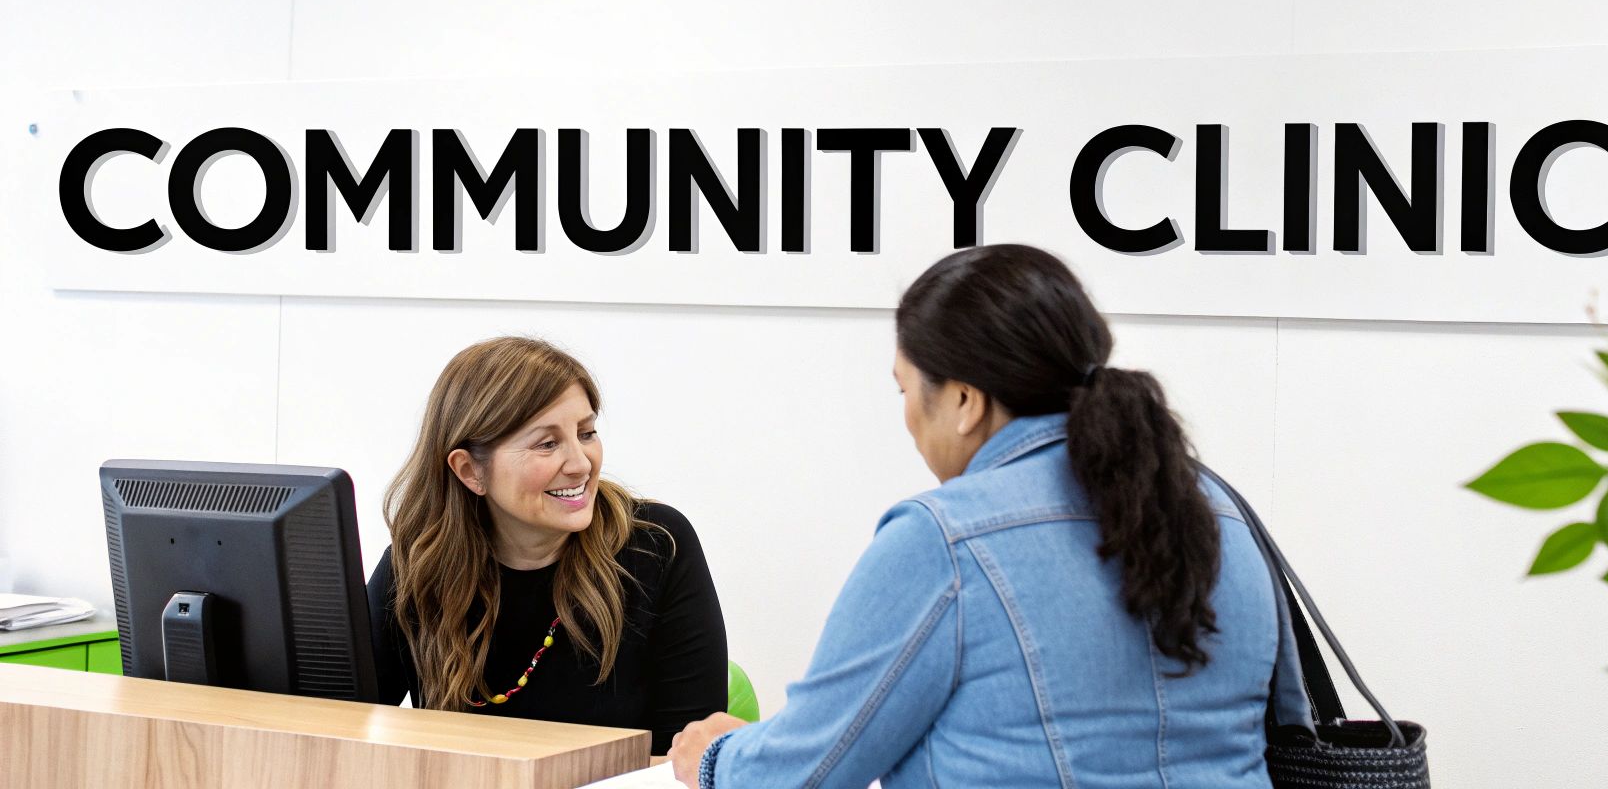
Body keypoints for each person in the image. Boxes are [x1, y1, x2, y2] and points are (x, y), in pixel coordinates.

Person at [670, 244, 1294, 788]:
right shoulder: (1217, 509)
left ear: (966, 401)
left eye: (906, 391)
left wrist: (716, 756)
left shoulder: (943, 539)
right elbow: (1287, 728)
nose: (909, 418)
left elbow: (804, 771)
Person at [367, 336, 726, 753]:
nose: (580, 464)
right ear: (470, 471)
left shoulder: (655, 547)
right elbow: (338, 719)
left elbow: (687, 758)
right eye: (547, 444)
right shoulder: (417, 565)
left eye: (586, 433)